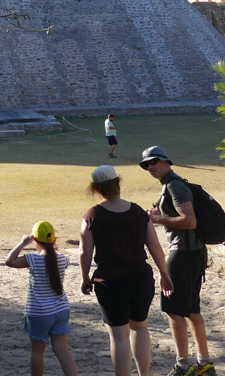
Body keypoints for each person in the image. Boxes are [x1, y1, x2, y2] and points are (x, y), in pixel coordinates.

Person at [80, 164, 174, 376]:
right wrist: (164, 274)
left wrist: (85, 277)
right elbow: (155, 247)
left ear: (96, 189)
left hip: (110, 281)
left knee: (119, 336)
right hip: (141, 278)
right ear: (118, 183)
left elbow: (84, 253)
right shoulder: (138, 212)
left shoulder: (92, 215)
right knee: (140, 327)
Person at [140, 146, 213, 376]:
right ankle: (204, 363)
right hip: (194, 253)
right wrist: (158, 215)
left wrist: (159, 219)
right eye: (146, 164)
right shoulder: (171, 184)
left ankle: (183, 365)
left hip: (183, 255)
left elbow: (189, 221)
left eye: (154, 162)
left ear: (166, 162)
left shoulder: (174, 185)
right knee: (191, 310)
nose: (150, 167)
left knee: (174, 311)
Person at [5, 222, 78, 376]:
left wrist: (23, 243)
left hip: (38, 312)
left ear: (35, 241)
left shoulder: (32, 259)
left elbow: (9, 261)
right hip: (61, 310)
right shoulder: (62, 259)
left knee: (38, 352)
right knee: (62, 350)